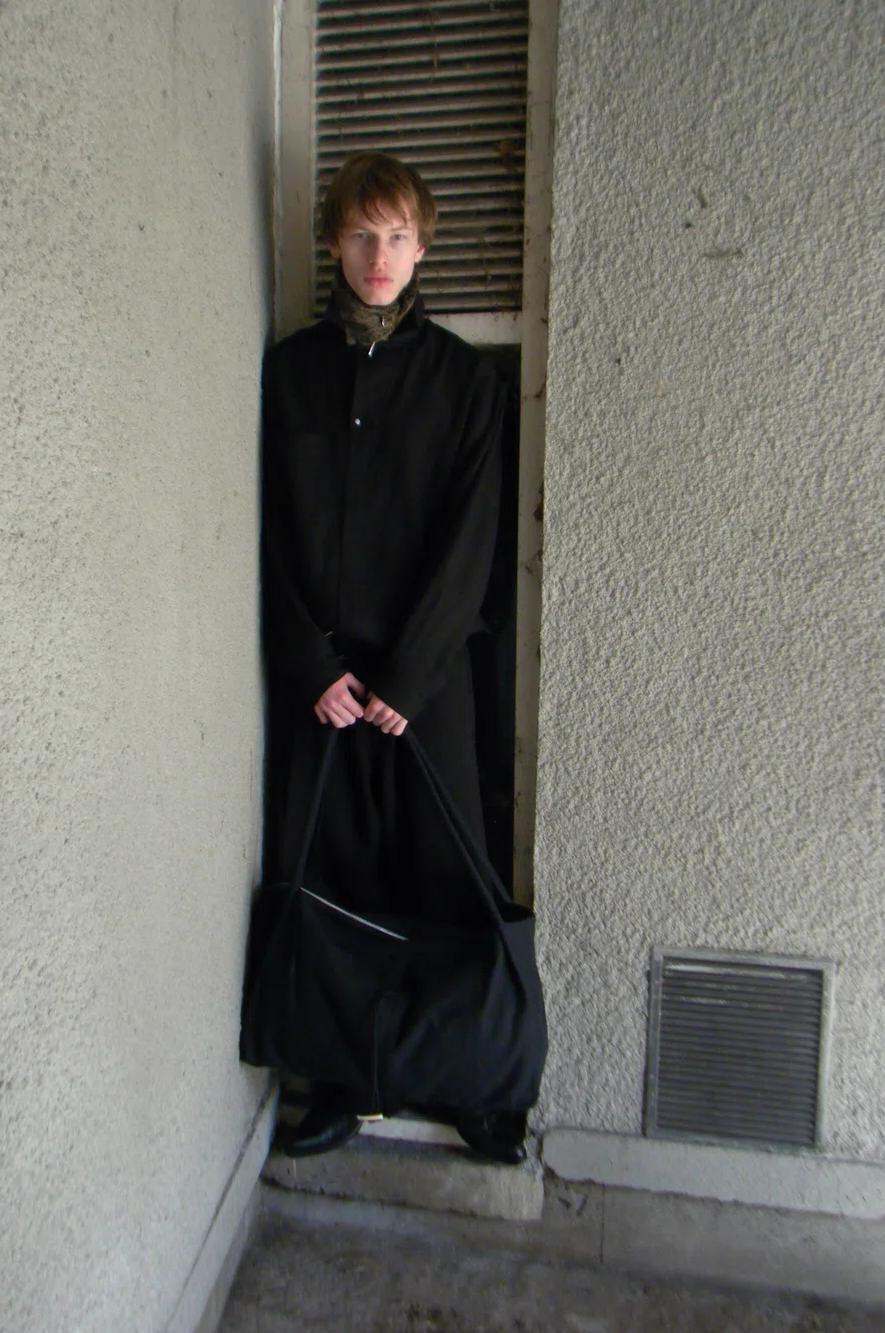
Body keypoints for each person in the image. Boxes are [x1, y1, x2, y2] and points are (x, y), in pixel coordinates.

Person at [261, 151, 525, 1164]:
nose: (381, 255)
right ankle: (345, 1078)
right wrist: (307, 661)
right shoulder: (289, 374)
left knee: (444, 873)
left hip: (428, 684)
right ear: (334, 241)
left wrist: (409, 678)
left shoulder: (463, 382)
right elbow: (264, 532)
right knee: (336, 875)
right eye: (364, 234)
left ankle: (468, 1082)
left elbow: (472, 541)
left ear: (423, 248)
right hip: (323, 686)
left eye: (400, 236)